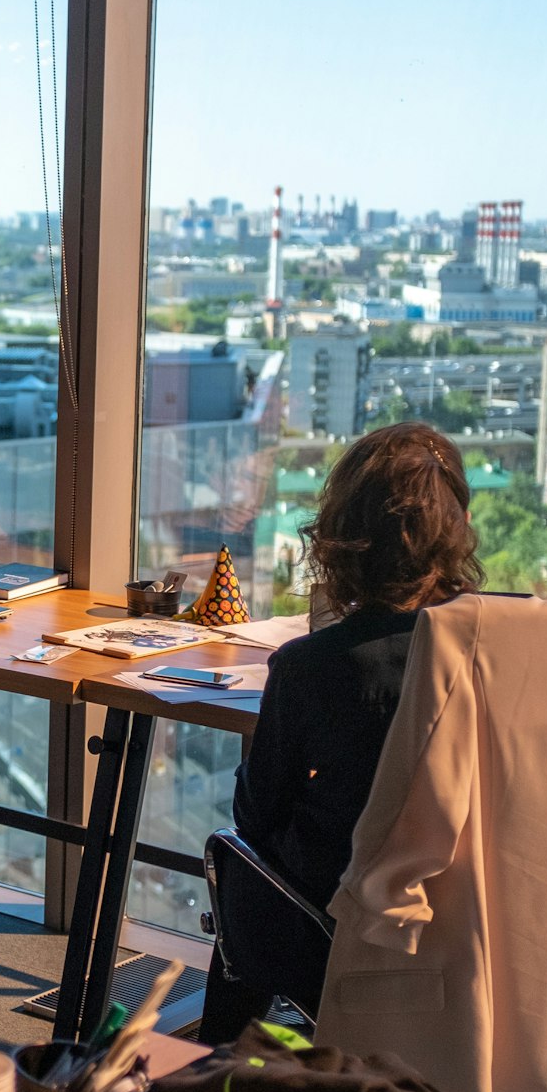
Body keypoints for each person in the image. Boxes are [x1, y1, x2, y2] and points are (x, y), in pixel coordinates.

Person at [199, 422, 482, 1043]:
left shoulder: (310, 667)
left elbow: (255, 816)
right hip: (479, 918)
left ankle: (214, 1079)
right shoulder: (506, 643)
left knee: (235, 853)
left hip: (345, 929)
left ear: (341, 536)